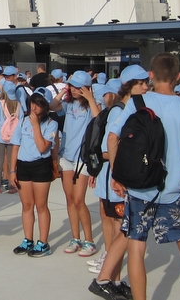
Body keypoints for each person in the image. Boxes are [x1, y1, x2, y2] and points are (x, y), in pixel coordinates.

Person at [94, 52, 180, 300]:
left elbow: (112, 137)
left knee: (136, 246)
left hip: (140, 188)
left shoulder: (137, 102)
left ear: (151, 75)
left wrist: (117, 175)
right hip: (172, 190)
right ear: (177, 77)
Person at [91, 71, 141, 298]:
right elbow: (105, 149)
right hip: (116, 182)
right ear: (129, 86)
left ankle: (114, 279)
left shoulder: (128, 110)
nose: (146, 87)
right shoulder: (119, 113)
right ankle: (111, 279)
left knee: (120, 230)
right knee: (119, 230)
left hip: (117, 180)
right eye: (141, 83)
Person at [50, 70, 101, 258]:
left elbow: (99, 120)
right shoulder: (67, 103)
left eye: (76, 86)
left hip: (82, 158)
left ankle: (89, 240)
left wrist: (90, 97)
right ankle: (75, 238)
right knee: (70, 199)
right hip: (67, 156)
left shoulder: (92, 106)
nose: (73, 89)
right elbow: (52, 105)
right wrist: (63, 92)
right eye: (71, 85)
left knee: (79, 200)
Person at [10, 92, 58, 258]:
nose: (34, 107)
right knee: (27, 205)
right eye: (32, 103)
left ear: (45, 105)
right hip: (23, 166)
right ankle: (28, 239)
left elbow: (43, 147)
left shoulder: (51, 124)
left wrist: (36, 125)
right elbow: (15, 146)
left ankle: (43, 243)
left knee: (41, 205)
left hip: (40, 166)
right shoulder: (23, 121)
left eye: (38, 104)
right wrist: (12, 170)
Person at [0, 81, 20, 194]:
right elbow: (21, 121)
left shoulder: (0, 104)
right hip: (14, 137)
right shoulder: (18, 105)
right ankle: (11, 186)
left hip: (0, 136)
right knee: (11, 162)